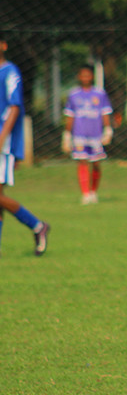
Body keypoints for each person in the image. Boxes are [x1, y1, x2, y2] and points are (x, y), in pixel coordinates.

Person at [0, 37, 50, 256]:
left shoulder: (10, 71)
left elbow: (14, 106)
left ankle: (37, 225)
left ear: (3, 45)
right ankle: (38, 227)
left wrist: (3, 136)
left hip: (4, 142)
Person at [62, 65, 114, 205]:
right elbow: (70, 116)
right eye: (83, 75)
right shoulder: (73, 94)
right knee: (82, 161)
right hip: (79, 134)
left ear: (92, 76)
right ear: (79, 77)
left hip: (96, 134)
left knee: (96, 163)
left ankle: (93, 191)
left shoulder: (100, 93)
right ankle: (85, 193)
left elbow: (105, 113)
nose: (85, 78)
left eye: (88, 75)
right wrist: (67, 135)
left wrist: (108, 130)